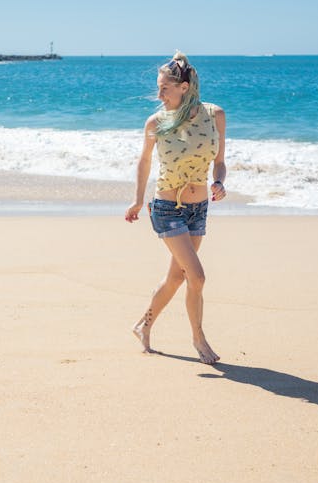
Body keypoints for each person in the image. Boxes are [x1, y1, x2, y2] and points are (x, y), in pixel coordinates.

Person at [125, 50, 227, 364]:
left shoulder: (215, 115)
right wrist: (138, 200)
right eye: (158, 88)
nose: (158, 95)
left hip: (198, 209)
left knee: (178, 277)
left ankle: (144, 325)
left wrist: (219, 182)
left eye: (164, 88)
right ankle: (199, 339)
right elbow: (143, 162)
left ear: (184, 87)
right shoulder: (157, 122)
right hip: (167, 208)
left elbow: (220, 162)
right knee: (197, 277)